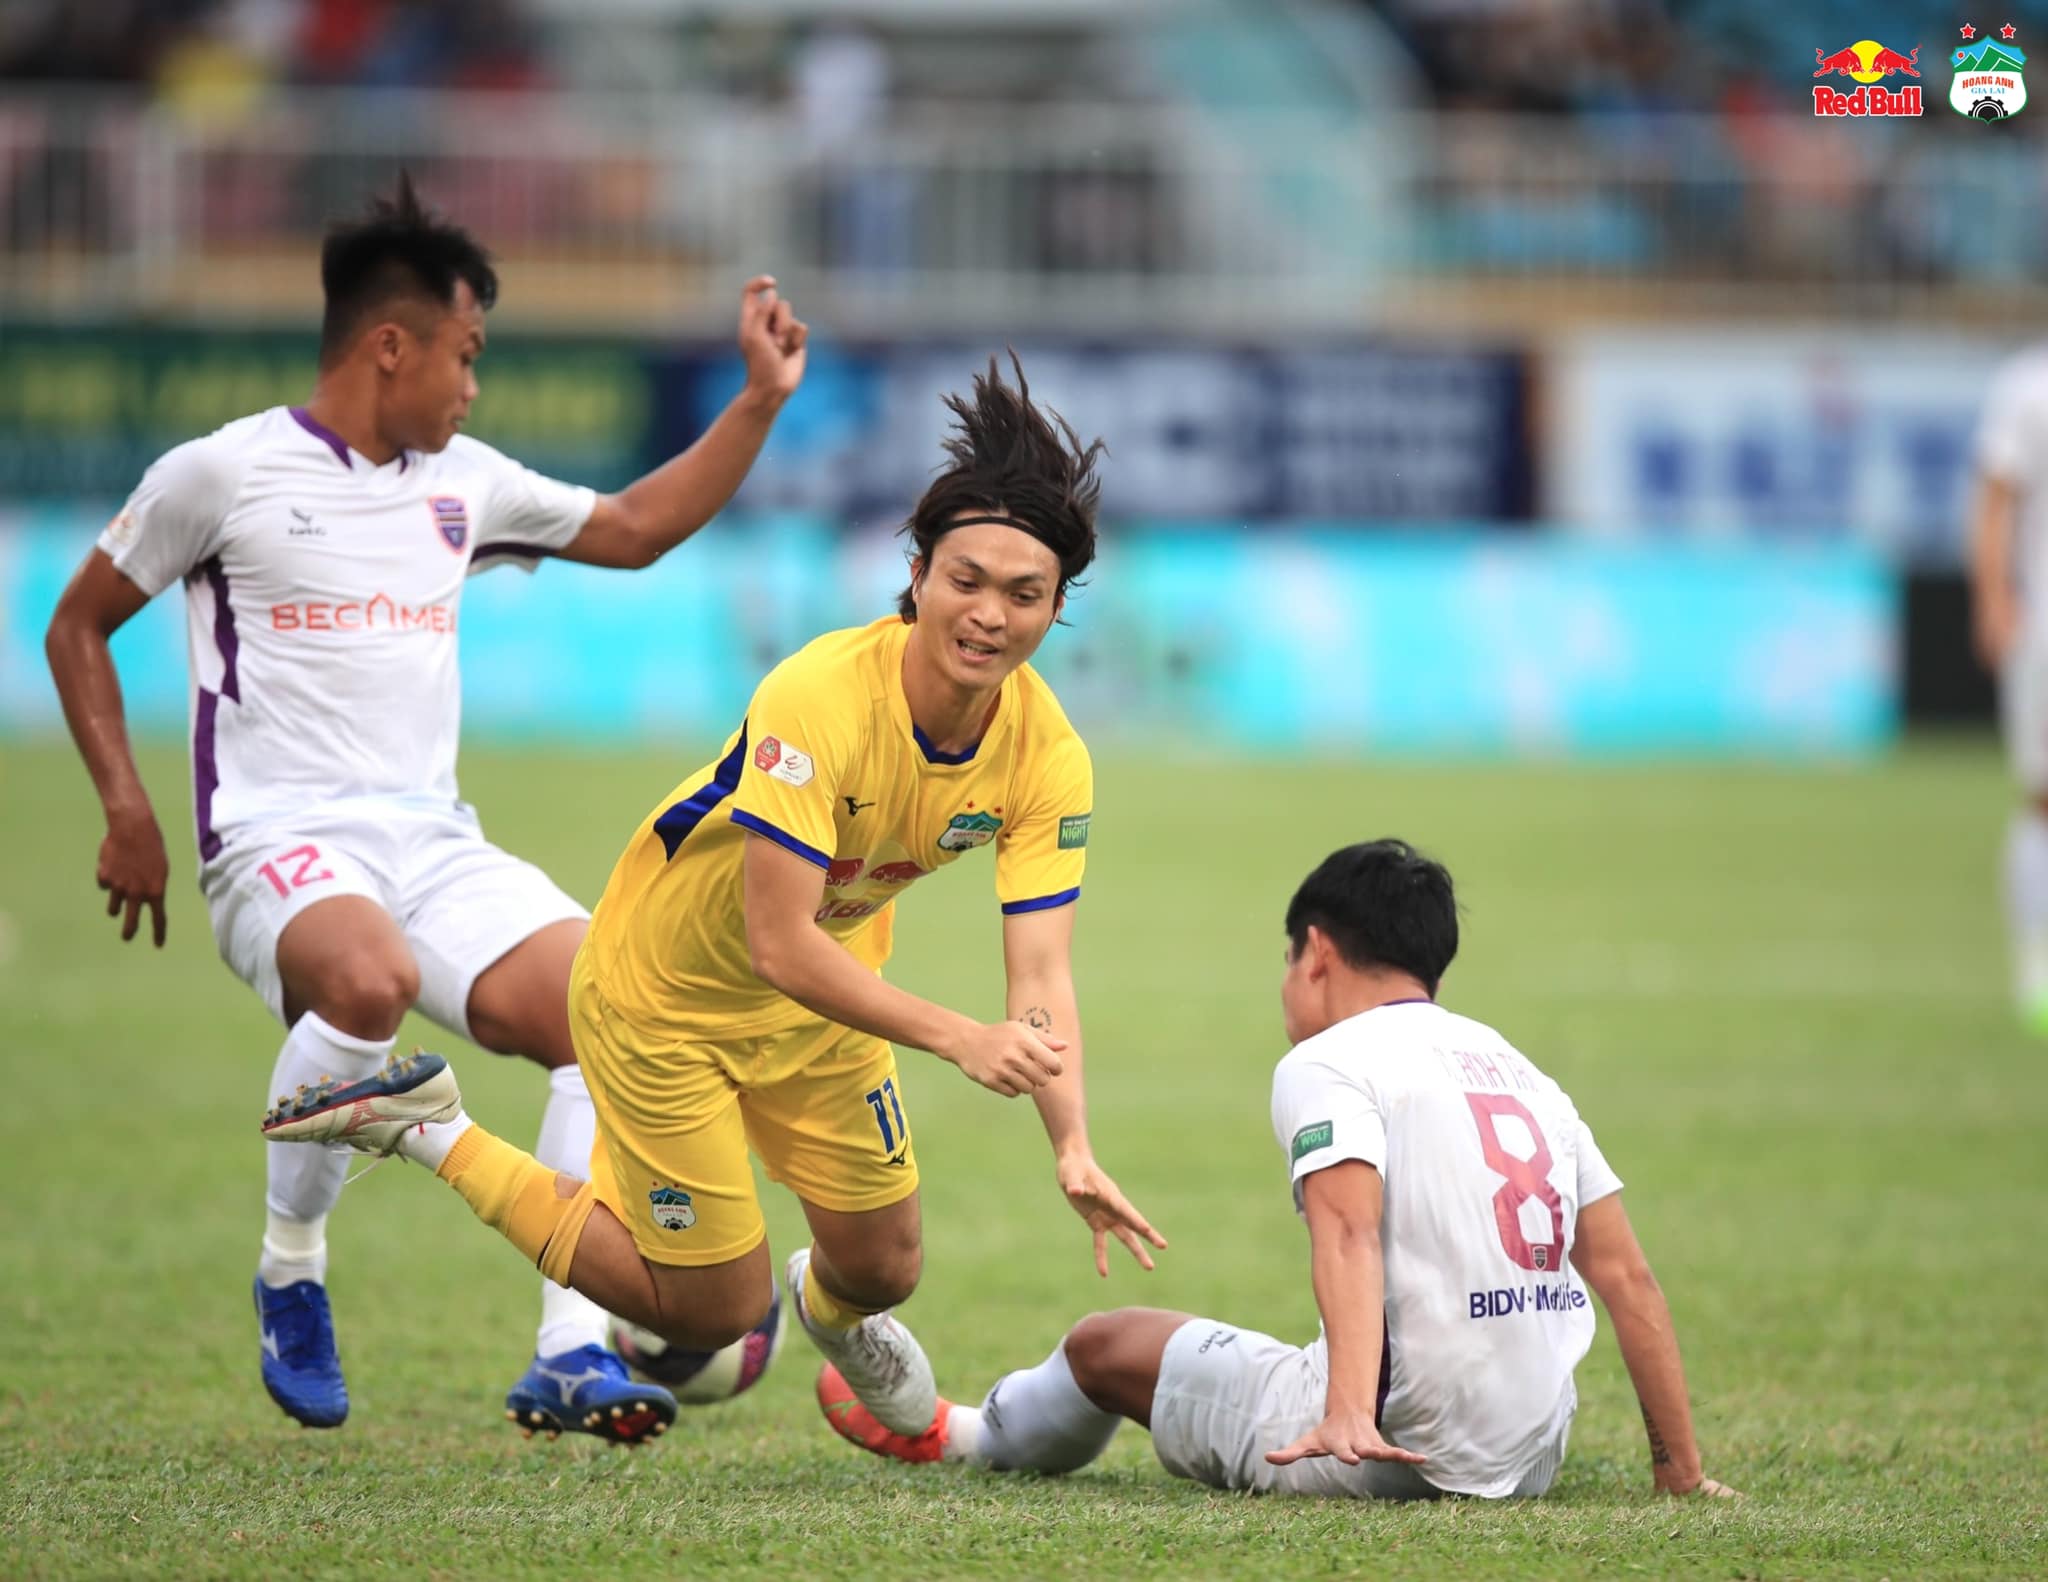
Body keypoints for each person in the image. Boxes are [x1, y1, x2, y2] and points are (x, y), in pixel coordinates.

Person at [260, 353, 1168, 1441]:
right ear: (918, 572)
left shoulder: (1046, 755)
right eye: (965, 580)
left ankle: (831, 1326)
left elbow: (1040, 975)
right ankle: (430, 1127)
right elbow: (777, 941)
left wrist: (1068, 1140)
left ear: (1057, 607)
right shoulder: (818, 696)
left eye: (1024, 595)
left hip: (821, 1006)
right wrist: (953, 1038)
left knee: (883, 1267)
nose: (988, 615)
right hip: (663, 1001)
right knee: (712, 1304)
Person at [43, 175, 809, 1442]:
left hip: (431, 842)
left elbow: (630, 529)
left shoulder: (465, 482)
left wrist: (756, 404)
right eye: (465, 355)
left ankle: (568, 1350)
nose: (470, 387)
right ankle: (292, 1269)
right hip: (275, 845)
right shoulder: (220, 473)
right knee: (367, 983)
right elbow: (79, 622)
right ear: (388, 344)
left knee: (609, 1009)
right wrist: (128, 808)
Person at [813, 840, 1736, 1500]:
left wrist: (1345, 1418)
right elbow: (1627, 1276)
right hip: (1534, 1452)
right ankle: (1369, 1405)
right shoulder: (1521, 1068)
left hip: (1394, 1443)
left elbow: (1348, 1230)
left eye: (1288, 958)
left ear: (1319, 953)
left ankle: (959, 1437)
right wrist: (1679, 1471)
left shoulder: (1328, 1063)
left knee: (1106, 1344)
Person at [1970, 350, 2048, 1030]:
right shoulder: (2029, 386)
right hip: (2045, 627)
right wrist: (1993, 597)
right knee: (2041, 798)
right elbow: (1996, 498)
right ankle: (2035, 965)